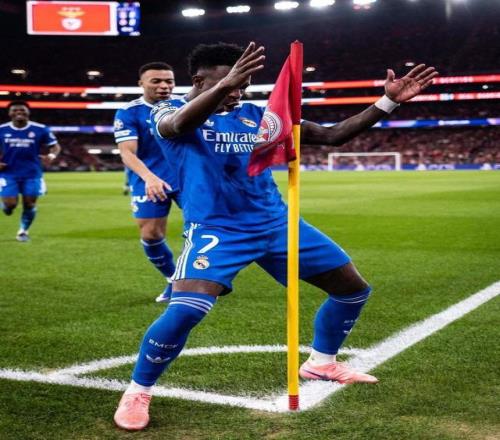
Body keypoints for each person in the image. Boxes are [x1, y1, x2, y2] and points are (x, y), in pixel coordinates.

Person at [113, 42, 438, 430]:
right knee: (185, 310)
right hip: (217, 229)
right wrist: (225, 85)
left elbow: (332, 136)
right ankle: (138, 390)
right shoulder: (165, 112)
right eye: (230, 83)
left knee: (352, 289)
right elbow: (178, 126)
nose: (238, 91)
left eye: (244, 84)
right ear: (199, 80)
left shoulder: (258, 116)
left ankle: (322, 363)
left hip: (277, 225)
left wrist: (387, 102)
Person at [114, 62, 181, 302]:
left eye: (169, 81)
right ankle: (173, 279)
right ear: (141, 83)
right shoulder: (129, 112)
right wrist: (149, 177)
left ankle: (202, 277)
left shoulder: (185, 106)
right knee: (151, 234)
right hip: (148, 179)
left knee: (203, 228)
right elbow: (127, 152)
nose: (164, 86)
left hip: (186, 178)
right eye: (156, 81)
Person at [0, 101, 60, 242]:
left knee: (30, 204)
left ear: (28, 112)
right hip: (8, 173)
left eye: (22, 110)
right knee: (10, 204)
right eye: (15, 110)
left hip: (32, 173)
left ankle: (23, 232)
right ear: (9, 113)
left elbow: (55, 146)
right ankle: (7, 207)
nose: (19, 112)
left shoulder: (40, 129)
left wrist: (52, 156)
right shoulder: (2, 129)